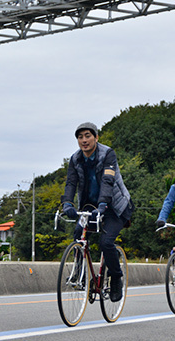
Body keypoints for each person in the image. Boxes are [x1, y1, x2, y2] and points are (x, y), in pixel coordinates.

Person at [61, 122, 134, 302]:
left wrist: (103, 205)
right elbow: (71, 183)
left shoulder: (108, 154)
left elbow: (108, 181)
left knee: (106, 243)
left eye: (88, 136)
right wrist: (68, 204)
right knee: (79, 234)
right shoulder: (75, 158)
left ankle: (116, 278)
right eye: (80, 137)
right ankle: (80, 273)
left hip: (115, 207)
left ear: (96, 137)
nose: (84, 140)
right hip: (90, 207)